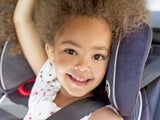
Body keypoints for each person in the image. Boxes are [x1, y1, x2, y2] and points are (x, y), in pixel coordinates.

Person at [14, 0, 149, 120]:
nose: (83, 66)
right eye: (71, 51)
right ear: (51, 52)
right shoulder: (49, 80)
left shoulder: (101, 116)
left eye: (97, 56)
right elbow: (22, 19)